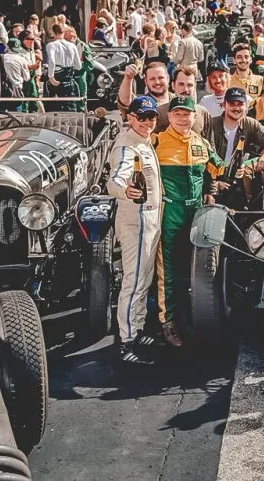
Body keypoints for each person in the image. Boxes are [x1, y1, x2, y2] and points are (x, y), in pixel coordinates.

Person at [154, 95, 224, 347]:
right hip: (169, 212)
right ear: (169, 116)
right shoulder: (156, 142)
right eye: (178, 114)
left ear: (195, 117)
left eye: (187, 114)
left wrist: (211, 189)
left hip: (195, 213)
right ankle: (167, 321)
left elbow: (219, 169)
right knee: (168, 270)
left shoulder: (202, 143)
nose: (183, 119)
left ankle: (190, 316)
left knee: (194, 268)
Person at [107, 96, 162, 365]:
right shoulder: (126, 146)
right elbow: (115, 179)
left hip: (150, 221)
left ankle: (137, 329)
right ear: (130, 118)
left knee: (144, 279)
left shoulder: (145, 141)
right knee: (134, 281)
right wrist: (124, 190)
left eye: (151, 117)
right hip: (136, 222)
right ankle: (126, 340)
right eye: (142, 117)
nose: (147, 122)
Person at [208, 87, 264, 189]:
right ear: (224, 105)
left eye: (240, 104)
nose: (236, 108)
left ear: (246, 106)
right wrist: (214, 183)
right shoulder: (210, 125)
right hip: (211, 180)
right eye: (232, 104)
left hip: (237, 180)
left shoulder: (250, 124)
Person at [43, 24, 83, 111]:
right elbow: (78, 66)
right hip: (69, 78)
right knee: (70, 105)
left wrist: (51, 77)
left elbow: (52, 61)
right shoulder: (72, 46)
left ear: (54, 32)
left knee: (53, 106)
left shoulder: (51, 45)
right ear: (63, 32)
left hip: (56, 78)